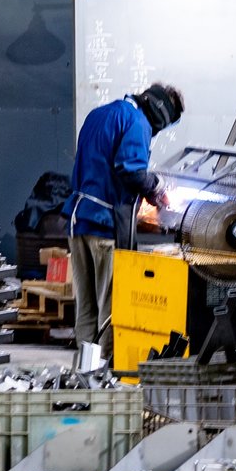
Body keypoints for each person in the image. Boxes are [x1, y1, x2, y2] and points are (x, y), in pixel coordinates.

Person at [67, 82, 186, 355]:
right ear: (161, 114)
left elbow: (103, 166)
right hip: (104, 226)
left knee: (86, 304)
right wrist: (157, 187)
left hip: (77, 222)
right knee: (110, 307)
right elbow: (130, 170)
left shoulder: (100, 114)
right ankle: (106, 371)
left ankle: (85, 372)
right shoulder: (137, 122)